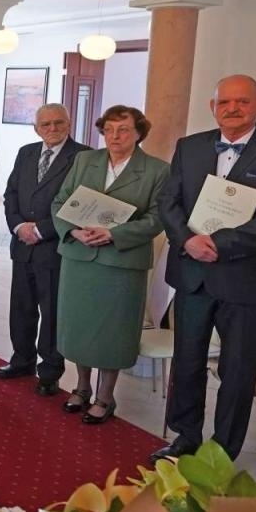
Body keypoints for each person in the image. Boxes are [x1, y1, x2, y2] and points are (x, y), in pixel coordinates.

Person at [155, 75, 256, 462]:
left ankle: (223, 450)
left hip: (247, 280)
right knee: (187, 361)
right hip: (192, 273)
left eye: (242, 101)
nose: (232, 108)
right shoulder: (189, 147)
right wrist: (187, 240)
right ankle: (185, 437)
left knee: (238, 370)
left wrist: (219, 245)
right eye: (224, 102)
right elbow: (168, 202)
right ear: (213, 107)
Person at [51, 106, 167, 424]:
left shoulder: (157, 170)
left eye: (123, 130)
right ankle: (81, 387)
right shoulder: (85, 160)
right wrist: (73, 231)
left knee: (113, 332)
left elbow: (158, 218)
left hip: (121, 263)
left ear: (139, 133)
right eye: (109, 130)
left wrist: (114, 234)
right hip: (80, 258)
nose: (115, 136)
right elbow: (60, 201)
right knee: (80, 326)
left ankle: (105, 396)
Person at [0, 104, 88, 394]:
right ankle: (21, 361)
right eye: (45, 124)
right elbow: (11, 194)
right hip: (22, 246)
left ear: (69, 124)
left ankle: (49, 372)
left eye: (58, 123)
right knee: (21, 308)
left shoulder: (83, 157)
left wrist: (40, 229)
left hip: (55, 248)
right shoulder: (26, 152)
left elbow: (79, 204)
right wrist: (18, 226)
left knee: (51, 312)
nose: (52, 129)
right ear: (36, 128)